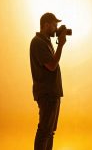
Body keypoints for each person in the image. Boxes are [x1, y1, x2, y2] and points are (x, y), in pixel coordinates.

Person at [30, 12, 67, 150]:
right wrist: (61, 45)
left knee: (50, 132)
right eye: (54, 25)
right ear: (46, 25)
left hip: (52, 93)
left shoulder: (45, 42)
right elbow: (51, 66)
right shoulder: (38, 42)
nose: (56, 28)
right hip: (47, 93)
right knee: (44, 131)